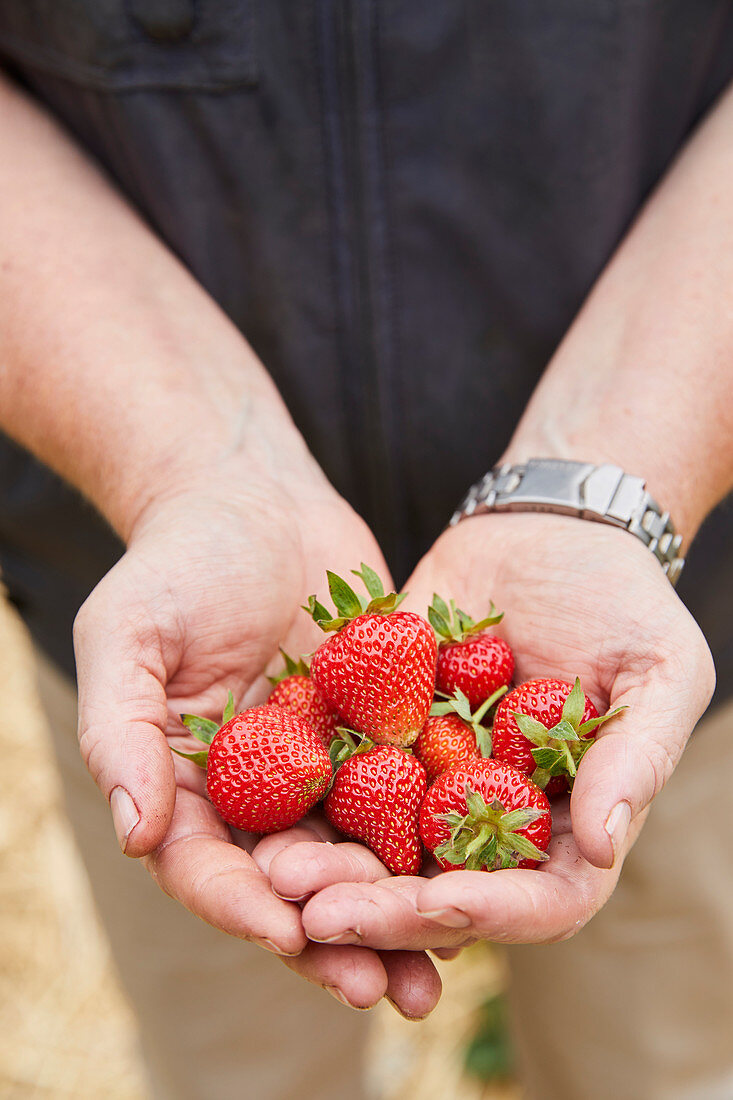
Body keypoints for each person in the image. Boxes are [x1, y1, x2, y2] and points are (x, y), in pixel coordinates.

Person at [0, 4, 731, 1098]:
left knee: (664, 1059)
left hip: (663, 595)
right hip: (177, 611)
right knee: (238, 1073)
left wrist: (618, 477)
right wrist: (183, 466)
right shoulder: (257, 707)